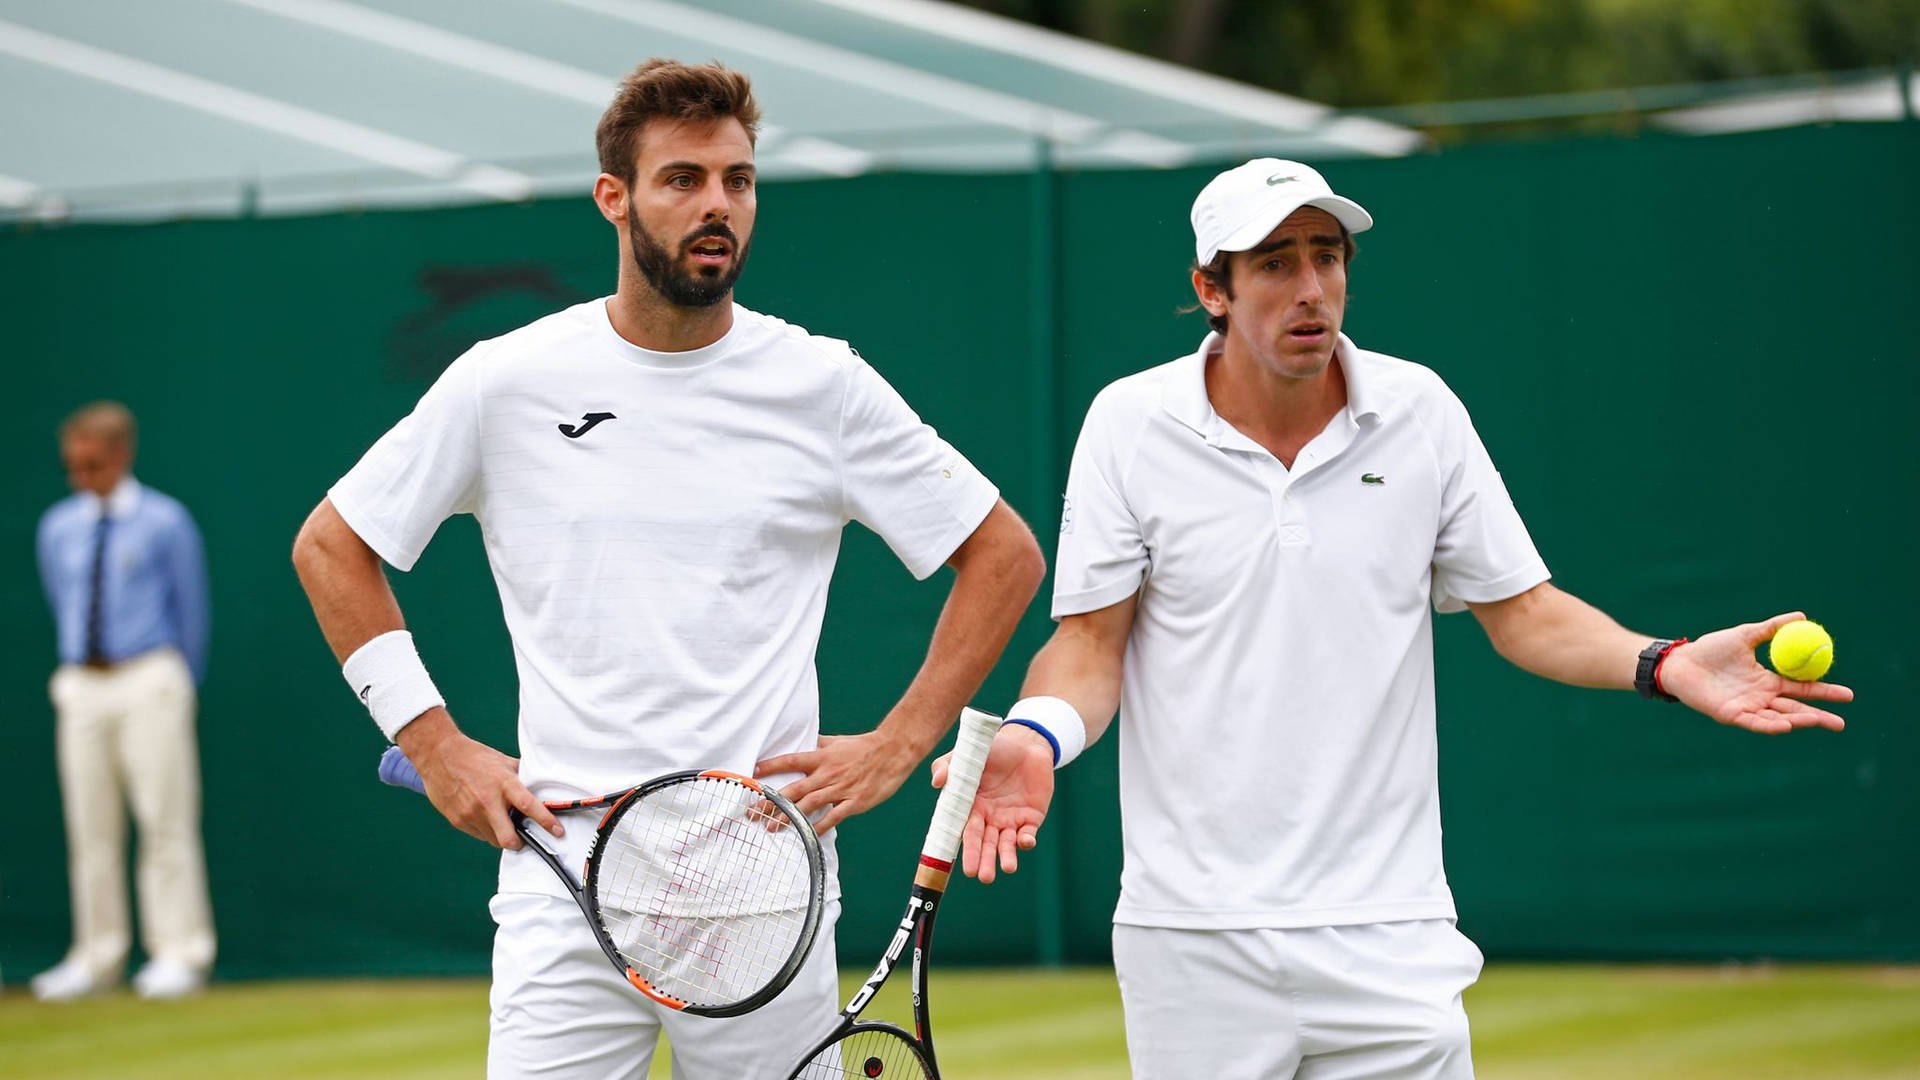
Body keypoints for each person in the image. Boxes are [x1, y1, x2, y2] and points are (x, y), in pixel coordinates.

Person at [939, 159, 1854, 1079]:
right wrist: (1036, 736)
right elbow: (1091, 646)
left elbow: (1526, 613)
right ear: (1210, 288)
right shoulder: (1128, 424)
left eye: (1327, 256)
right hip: (1192, 938)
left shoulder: (1422, 411)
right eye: (1274, 263)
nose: (1311, 289)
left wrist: (1665, 662)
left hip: (1391, 932)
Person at [291, 60, 1043, 1078]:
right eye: (683, 179)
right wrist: (435, 747)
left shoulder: (820, 383)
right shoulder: (505, 381)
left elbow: (1003, 554)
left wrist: (902, 743)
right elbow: (331, 546)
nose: (717, 205)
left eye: (737, 180)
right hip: (560, 878)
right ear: (616, 198)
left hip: (763, 887)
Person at [33, 401, 215, 1002]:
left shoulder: (165, 521)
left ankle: (179, 953)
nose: (81, 477)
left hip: (150, 677)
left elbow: (191, 612)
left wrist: (175, 682)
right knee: (91, 827)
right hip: (82, 682)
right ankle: (96, 957)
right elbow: (60, 598)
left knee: (165, 819)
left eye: (92, 464)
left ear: (120, 455)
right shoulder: (58, 527)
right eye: (72, 466)